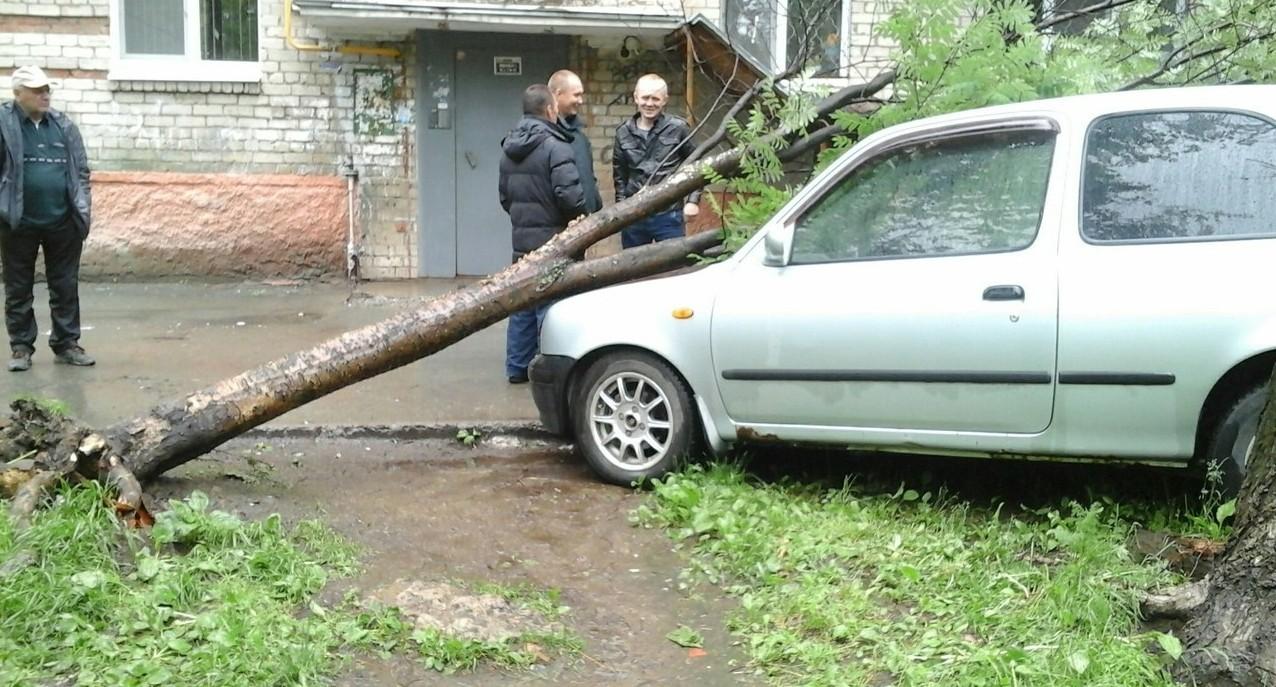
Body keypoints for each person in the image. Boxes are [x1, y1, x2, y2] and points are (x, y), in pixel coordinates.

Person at [1, 65, 94, 372]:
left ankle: (67, 344)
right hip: (17, 222)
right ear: (18, 94)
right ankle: (21, 348)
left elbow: (80, 170)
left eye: (47, 89)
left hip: (63, 222)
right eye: (37, 90)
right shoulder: (4, 123)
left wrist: (81, 208)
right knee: (18, 287)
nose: (45, 95)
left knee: (65, 285)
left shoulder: (63, 125)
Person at [498, 83, 586, 384]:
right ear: (550, 109)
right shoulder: (557, 145)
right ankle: (552, 377)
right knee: (551, 307)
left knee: (522, 303)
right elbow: (570, 197)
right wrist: (578, 221)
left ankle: (517, 368)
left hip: (521, 239)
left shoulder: (508, 147)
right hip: (553, 239)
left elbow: (504, 198)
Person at [612, 74, 700, 248]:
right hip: (633, 214)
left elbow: (696, 164)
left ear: (665, 100)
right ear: (636, 97)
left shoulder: (678, 128)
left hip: (669, 214)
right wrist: (621, 210)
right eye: (645, 98)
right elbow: (619, 175)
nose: (649, 103)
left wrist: (693, 201)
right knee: (632, 269)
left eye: (655, 98)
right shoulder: (623, 132)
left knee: (673, 268)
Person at [548, 69, 603, 215]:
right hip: (561, 224)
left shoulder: (579, 137)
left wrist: (595, 203)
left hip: (586, 221)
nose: (581, 100)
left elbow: (588, 175)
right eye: (576, 95)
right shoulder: (545, 136)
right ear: (558, 94)